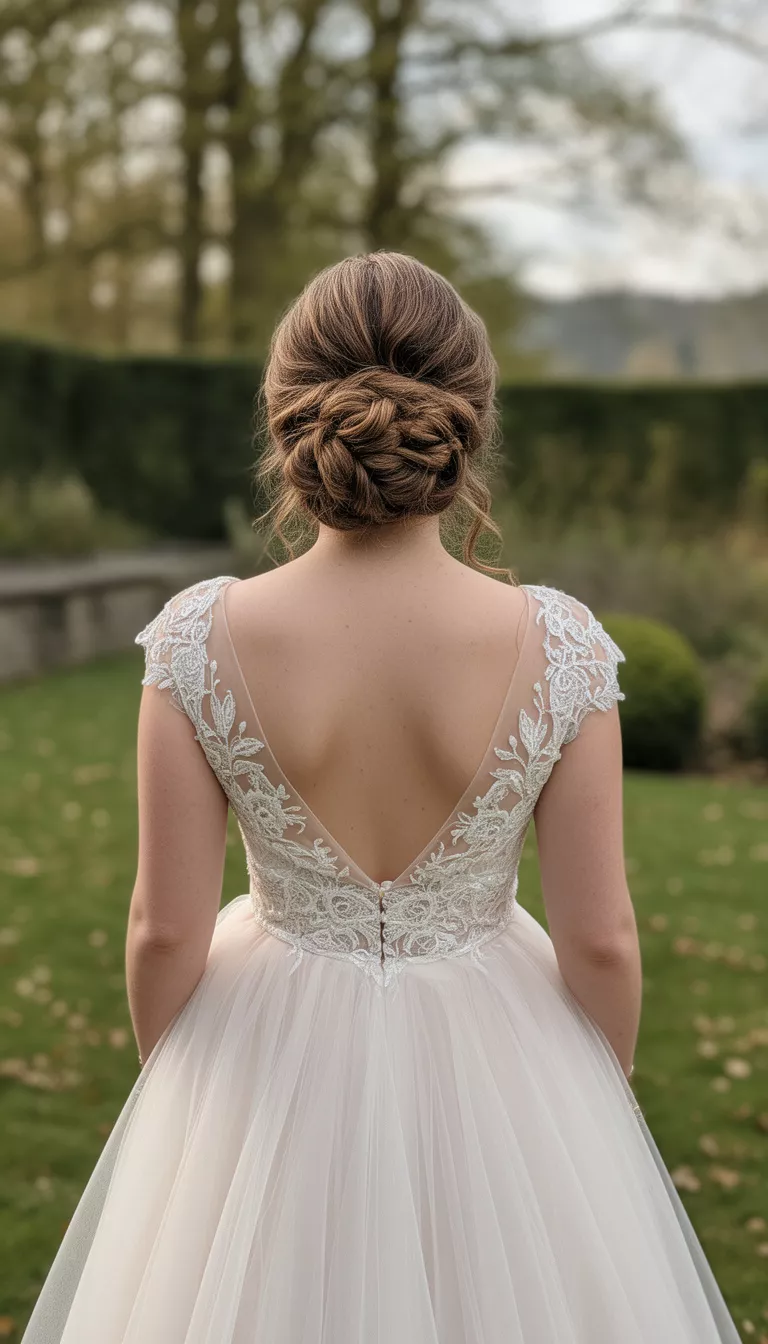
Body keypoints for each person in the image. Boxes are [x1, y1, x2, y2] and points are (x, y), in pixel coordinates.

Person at [21, 252, 741, 1343]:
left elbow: (163, 929)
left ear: (285, 419)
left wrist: (184, 1102)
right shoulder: (561, 647)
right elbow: (601, 940)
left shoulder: (200, 640)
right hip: (511, 1062)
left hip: (267, 1057)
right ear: (472, 420)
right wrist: (597, 1100)